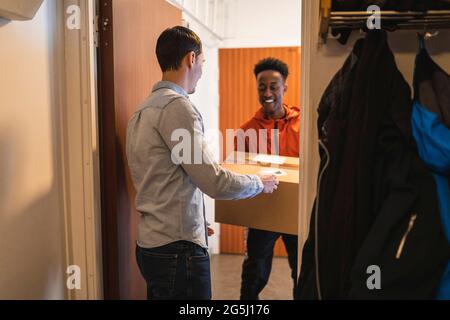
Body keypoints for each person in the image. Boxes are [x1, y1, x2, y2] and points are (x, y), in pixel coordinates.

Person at [126, 26, 279, 300]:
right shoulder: (177, 108)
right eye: (203, 62)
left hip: (151, 244)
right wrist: (260, 183)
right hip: (177, 251)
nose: (201, 71)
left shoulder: (143, 110)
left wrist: (195, 219)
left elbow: (164, 177)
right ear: (191, 59)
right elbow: (214, 181)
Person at [236, 58, 300, 300]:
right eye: (262, 87)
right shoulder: (245, 131)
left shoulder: (302, 125)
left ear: (285, 87)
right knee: (254, 272)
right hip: (262, 214)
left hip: (295, 213)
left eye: (274, 86)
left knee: (301, 270)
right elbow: (240, 175)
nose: (268, 93)